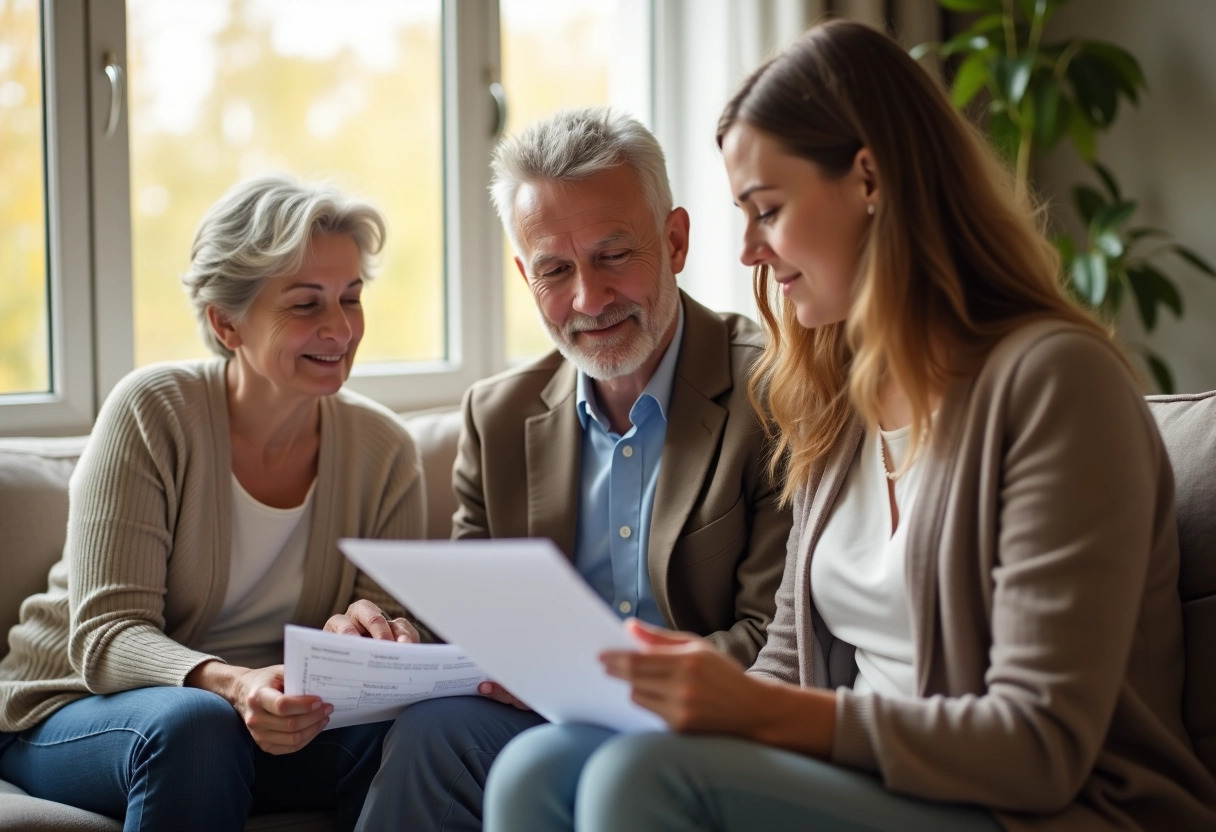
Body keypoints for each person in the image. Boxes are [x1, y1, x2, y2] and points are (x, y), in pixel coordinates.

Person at [482, 20, 1216, 832]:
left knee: (642, 781)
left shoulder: (1054, 386)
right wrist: (683, 685)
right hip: (873, 787)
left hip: (1044, 809)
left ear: (868, 180)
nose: (750, 251)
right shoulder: (837, 395)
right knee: (535, 767)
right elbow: (790, 667)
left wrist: (760, 714)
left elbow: (1040, 745)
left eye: (767, 210)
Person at [354, 107, 791, 831]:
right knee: (430, 737)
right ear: (527, 276)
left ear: (674, 241)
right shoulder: (496, 418)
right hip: (545, 724)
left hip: (707, 724)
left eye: (614, 255)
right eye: (556, 269)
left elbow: (773, 638)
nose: (588, 299)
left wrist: (595, 678)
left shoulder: (771, 393)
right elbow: (479, 622)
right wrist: (390, 638)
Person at [0, 176, 427, 832]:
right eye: (306, 304)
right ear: (227, 322)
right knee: (198, 727)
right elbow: (106, 636)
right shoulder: (152, 412)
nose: (341, 328)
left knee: (426, 729)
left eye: (351, 297)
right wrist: (235, 684)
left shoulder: (386, 451)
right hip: (81, 707)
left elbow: (384, 626)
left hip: (268, 722)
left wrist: (374, 636)